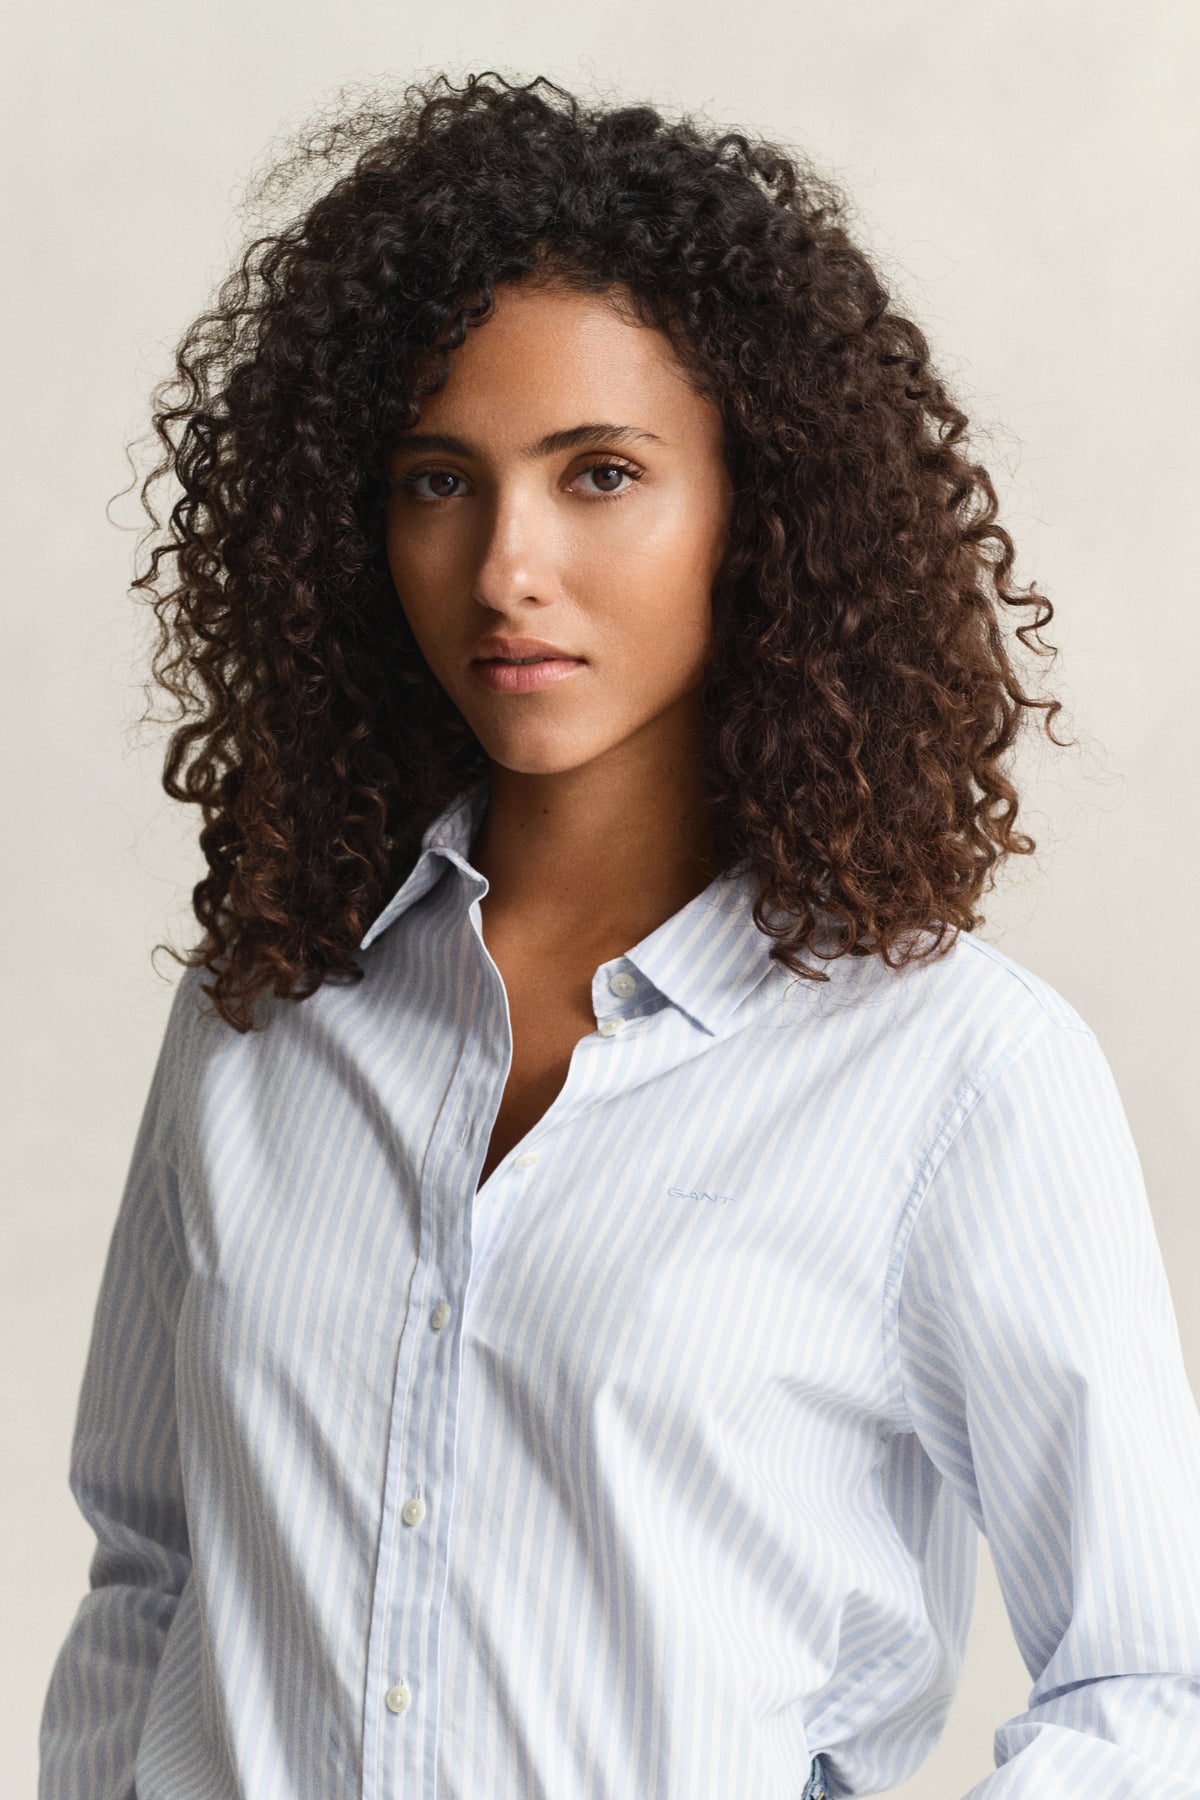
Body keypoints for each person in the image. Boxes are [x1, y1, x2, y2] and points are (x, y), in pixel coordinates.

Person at [39, 69, 1200, 1800]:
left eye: (599, 473)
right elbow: (151, 1574)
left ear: (758, 512)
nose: (508, 563)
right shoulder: (261, 1009)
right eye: (441, 478)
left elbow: (1150, 1687)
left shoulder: (955, 1071)